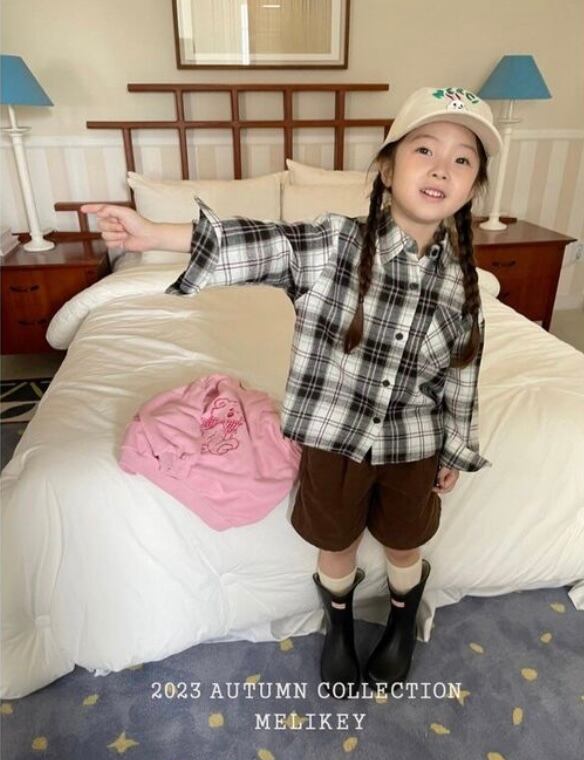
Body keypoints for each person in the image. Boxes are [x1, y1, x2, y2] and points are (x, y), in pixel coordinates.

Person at [82, 85, 502, 698]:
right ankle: (339, 625)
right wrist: (154, 233)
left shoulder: (463, 284)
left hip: (413, 443)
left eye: (462, 160)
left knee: (404, 543)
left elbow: (462, 374)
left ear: (471, 188)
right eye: (424, 150)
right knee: (336, 542)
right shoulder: (332, 243)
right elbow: (258, 242)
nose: (442, 167)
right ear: (387, 169)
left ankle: (403, 617)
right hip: (333, 437)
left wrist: (456, 450)